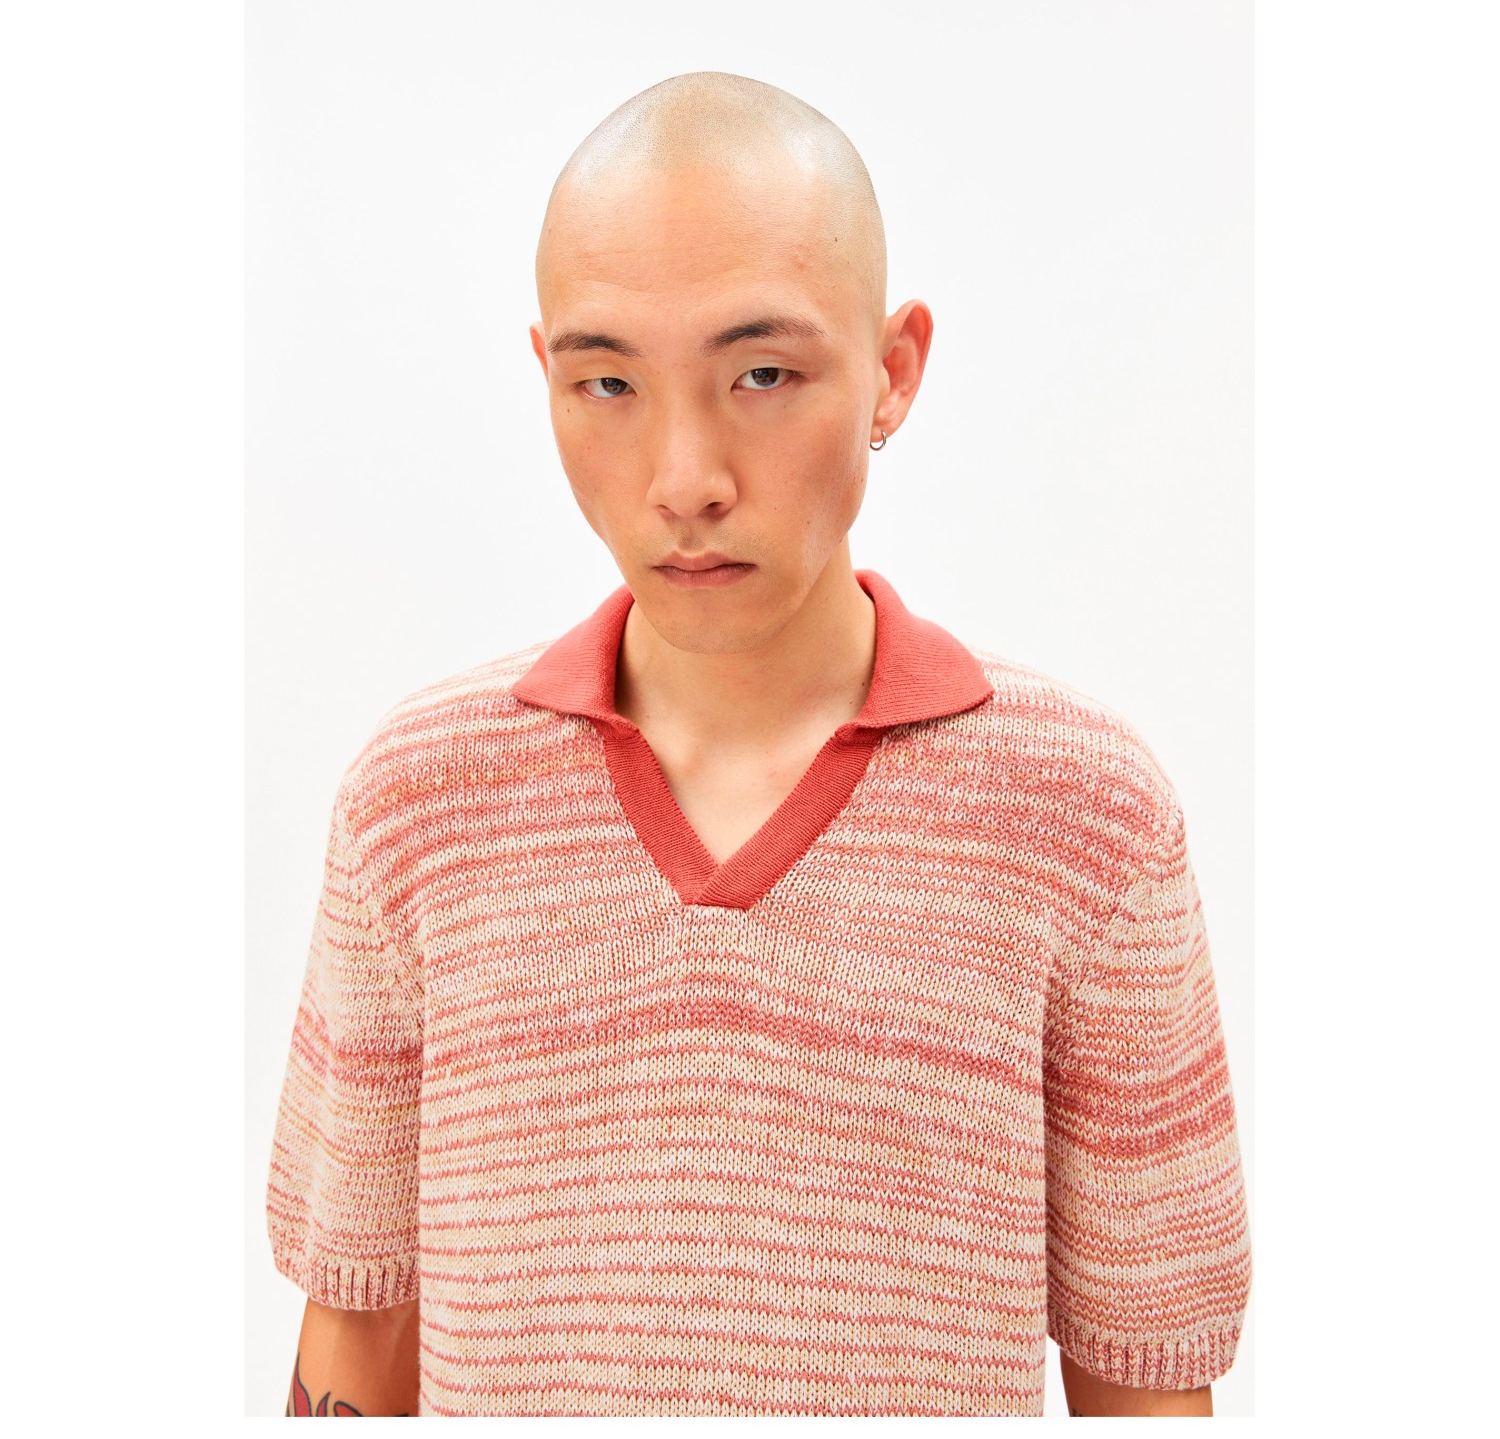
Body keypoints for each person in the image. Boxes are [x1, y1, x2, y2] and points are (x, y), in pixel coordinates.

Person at [265, 70, 1252, 1417]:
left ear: (893, 373)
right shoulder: (416, 805)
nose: (684, 478)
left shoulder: (1086, 821)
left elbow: (1147, 1383)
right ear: (547, 378)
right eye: (608, 382)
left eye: (764, 374)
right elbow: (358, 1334)